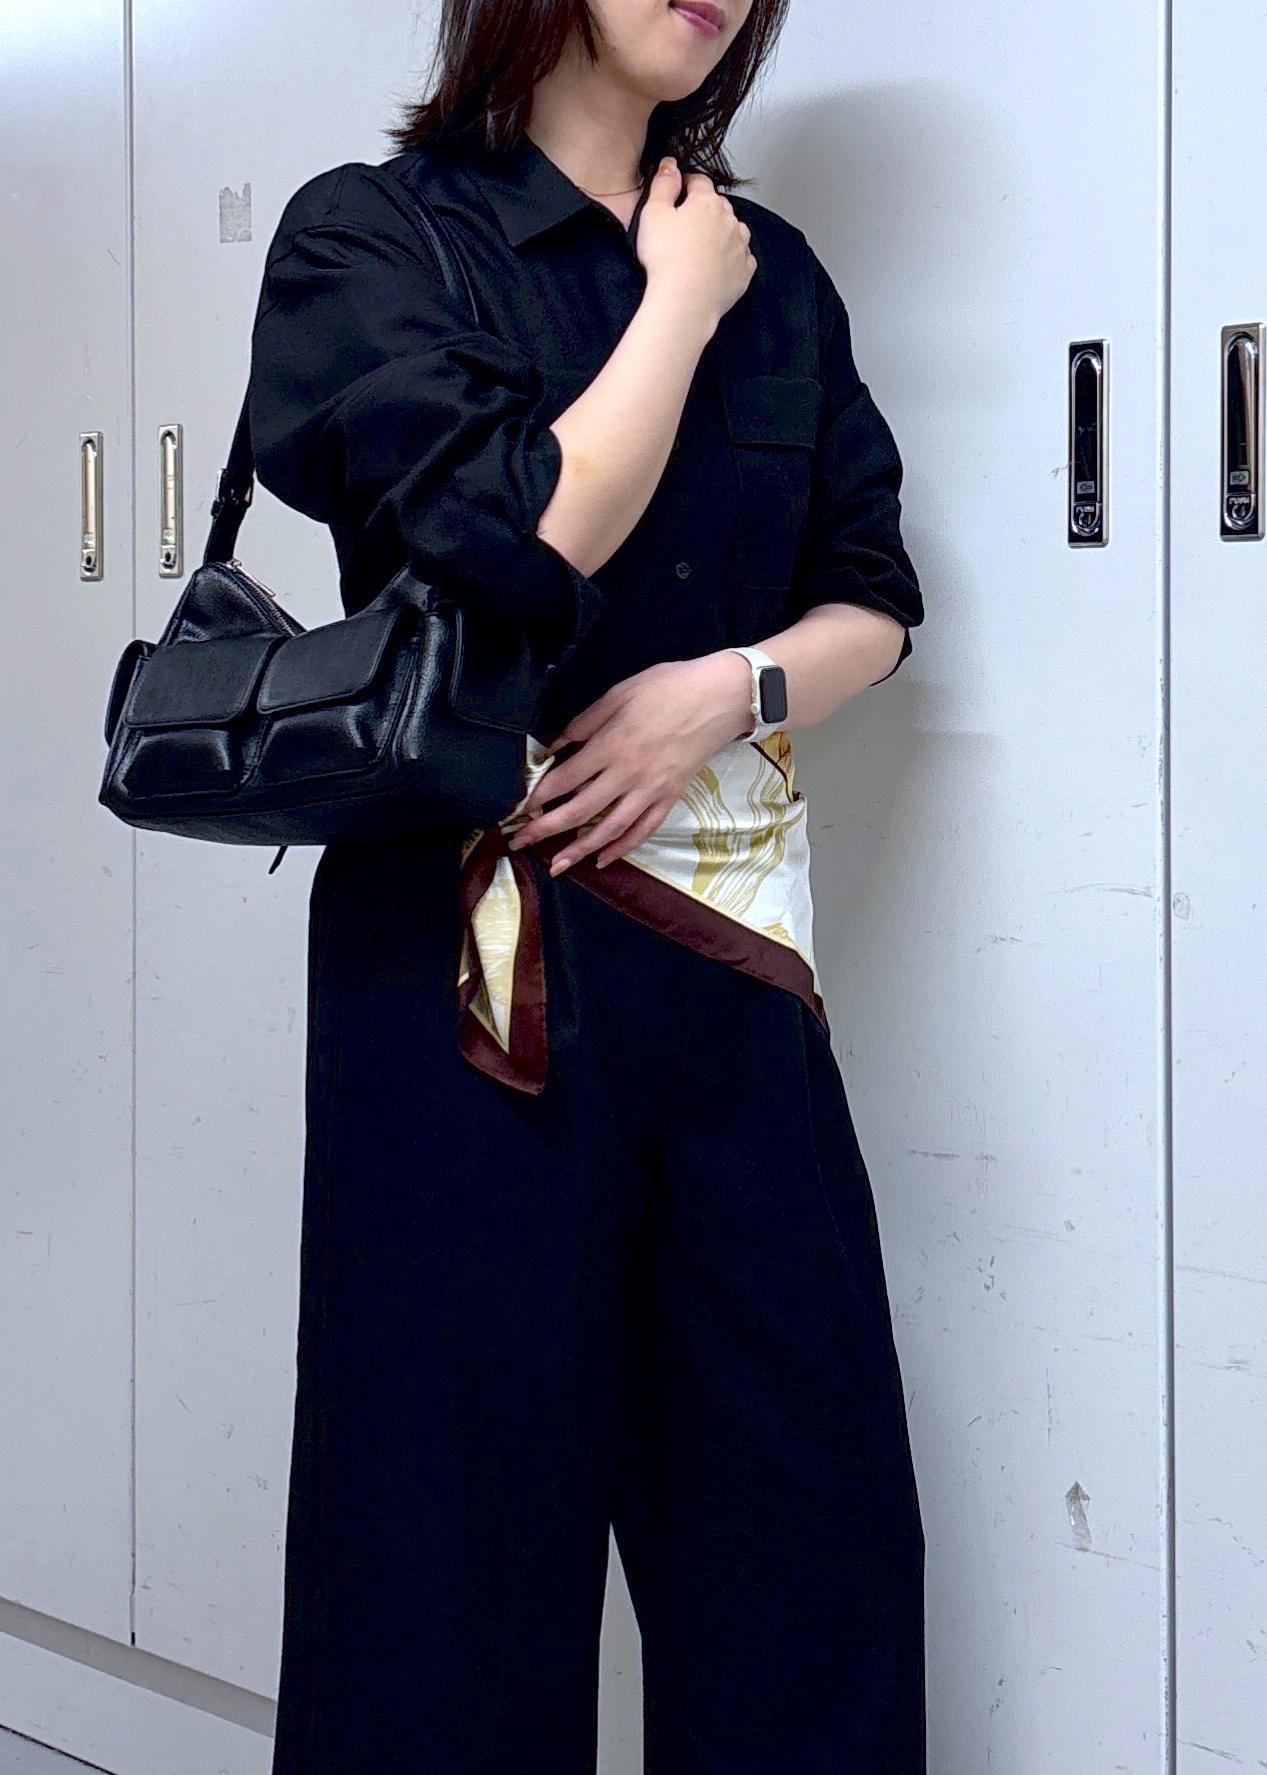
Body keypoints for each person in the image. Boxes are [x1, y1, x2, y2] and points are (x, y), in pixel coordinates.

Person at [247, 0, 926, 1768]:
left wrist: (730, 689)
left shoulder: (781, 273)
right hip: (469, 983)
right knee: (445, 1555)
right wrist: (675, 302)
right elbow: (521, 541)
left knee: (810, 1539)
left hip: (733, 975)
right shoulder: (375, 238)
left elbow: (873, 599)